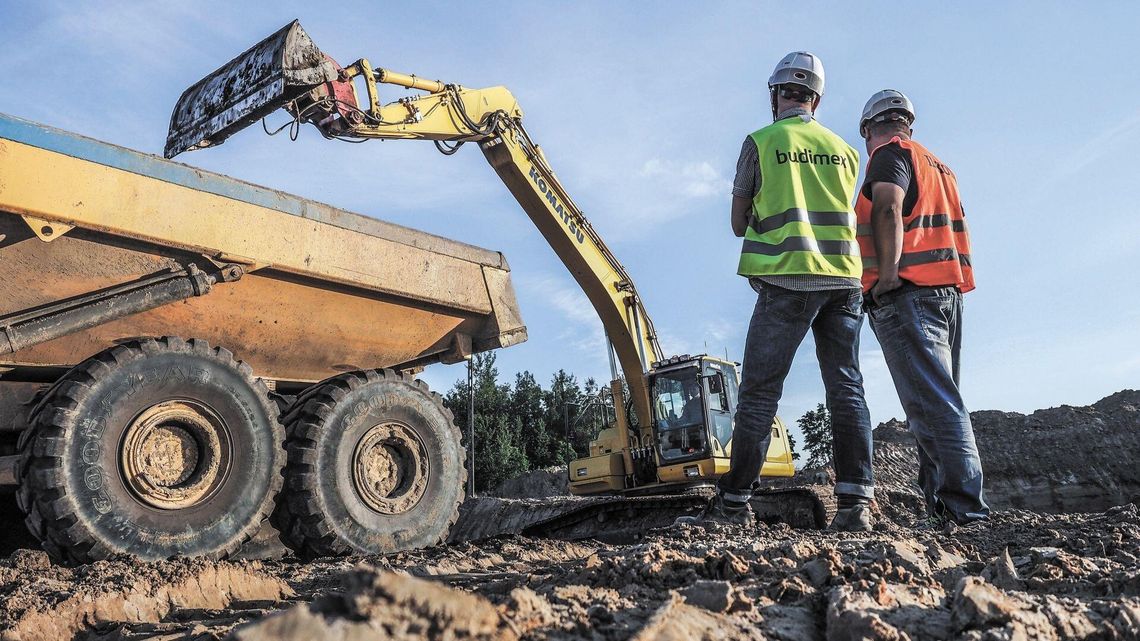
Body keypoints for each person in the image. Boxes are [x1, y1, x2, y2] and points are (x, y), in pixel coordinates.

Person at [682, 52, 875, 532]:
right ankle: (856, 505)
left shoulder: (762, 142)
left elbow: (737, 223)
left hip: (788, 280)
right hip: (844, 281)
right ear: (816, 99)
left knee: (760, 393)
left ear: (776, 94)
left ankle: (733, 504)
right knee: (847, 389)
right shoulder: (846, 151)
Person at [855, 89, 989, 527]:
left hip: (909, 294)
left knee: (936, 407)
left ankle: (965, 510)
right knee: (936, 405)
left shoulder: (889, 155)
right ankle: (942, 509)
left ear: (868, 129)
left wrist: (887, 276)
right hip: (946, 292)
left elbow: (889, 207)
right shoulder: (938, 166)